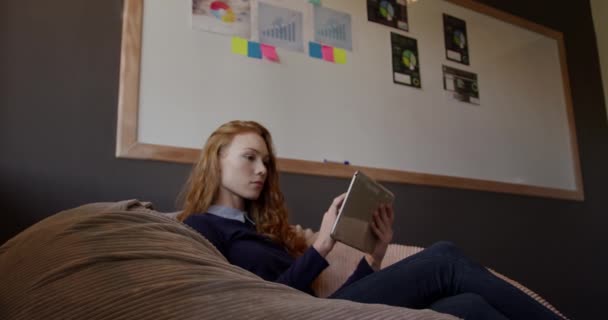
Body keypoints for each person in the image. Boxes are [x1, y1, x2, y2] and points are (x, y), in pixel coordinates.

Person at [177, 120, 563, 320]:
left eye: (266, 161)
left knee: (468, 305)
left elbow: (326, 301)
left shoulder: (257, 229)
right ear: (217, 159)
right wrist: (323, 245)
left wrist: (375, 257)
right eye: (249, 157)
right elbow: (267, 305)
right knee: (444, 257)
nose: (262, 169)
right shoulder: (200, 228)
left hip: (321, 312)